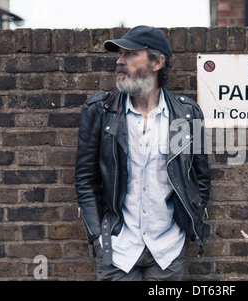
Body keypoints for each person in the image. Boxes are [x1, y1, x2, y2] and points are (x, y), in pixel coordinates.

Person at [75, 25, 210, 281]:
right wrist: (96, 235)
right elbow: (85, 180)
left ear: (157, 62)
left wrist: (186, 229)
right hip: (117, 247)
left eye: (130, 54)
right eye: (120, 54)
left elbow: (199, 178)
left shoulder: (187, 115)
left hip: (168, 249)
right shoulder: (100, 111)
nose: (120, 61)